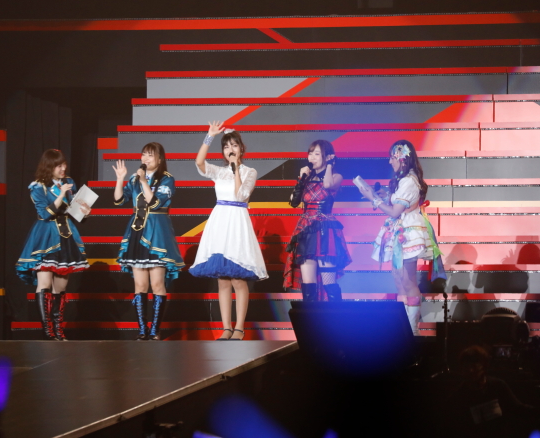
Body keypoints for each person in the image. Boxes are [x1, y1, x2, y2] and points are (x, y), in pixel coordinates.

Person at [189, 121, 268, 340]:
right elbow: (199, 162)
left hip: (237, 224)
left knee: (238, 279)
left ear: (241, 148)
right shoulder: (218, 171)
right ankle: (226, 328)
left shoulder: (250, 171)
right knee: (222, 280)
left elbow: (241, 195)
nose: (230, 149)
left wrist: (235, 171)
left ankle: (239, 328)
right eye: (226, 146)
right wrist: (209, 136)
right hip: (220, 223)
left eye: (234, 145)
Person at [357, 140, 445, 335]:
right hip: (400, 231)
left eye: (392, 157)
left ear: (402, 159)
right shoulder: (404, 180)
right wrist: (385, 196)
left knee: (408, 281)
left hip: (407, 233)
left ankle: (412, 329)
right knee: (399, 279)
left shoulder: (409, 181)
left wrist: (373, 199)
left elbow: (395, 211)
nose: (390, 162)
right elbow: (397, 205)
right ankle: (403, 326)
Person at [16, 149, 91, 340]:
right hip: (46, 236)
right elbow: (44, 214)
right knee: (44, 284)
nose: (63, 168)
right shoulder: (38, 186)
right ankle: (47, 331)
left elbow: (76, 214)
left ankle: (58, 329)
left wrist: (84, 211)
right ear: (49, 166)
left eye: (64, 164)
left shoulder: (69, 182)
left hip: (66, 236)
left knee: (61, 287)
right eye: (58, 166)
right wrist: (61, 195)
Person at [113, 143, 185, 341]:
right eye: (144, 154)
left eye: (150, 155)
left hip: (158, 233)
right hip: (137, 232)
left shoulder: (167, 179)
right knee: (140, 284)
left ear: (160, 159)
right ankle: (142, 330)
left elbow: (155, 203)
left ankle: (155, 330)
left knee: (157, 283)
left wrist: (144, 181)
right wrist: (120, 179)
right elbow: (119, 200)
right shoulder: (134, 178)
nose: (145, 158)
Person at [284, 140, 352, 301]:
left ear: (327, 157)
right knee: (308, 285)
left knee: (329, 283)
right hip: (306, 230)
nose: (312, 157)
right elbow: (293, 202)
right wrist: (301, 179)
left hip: (325, 231)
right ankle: (310, 316)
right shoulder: (306, 178)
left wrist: (329, 165)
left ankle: (336, 316)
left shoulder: (336, 176)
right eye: (310, 153)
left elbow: (327, 185)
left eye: (317, 154)